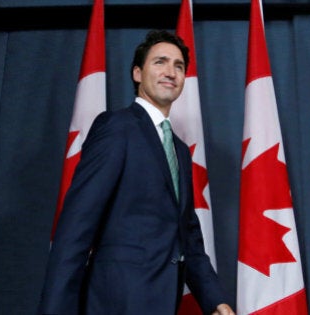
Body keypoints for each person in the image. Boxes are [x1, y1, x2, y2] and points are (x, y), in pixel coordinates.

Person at [38, 30, 235, 315]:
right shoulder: (117, 128)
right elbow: (77, 223)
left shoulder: (179, 149)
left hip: (164, 302)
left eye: (178, 66)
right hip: (117, 301)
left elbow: (187, 238)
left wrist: (216, 300)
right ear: (137, 73)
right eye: (160, 62)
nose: (171, 72)